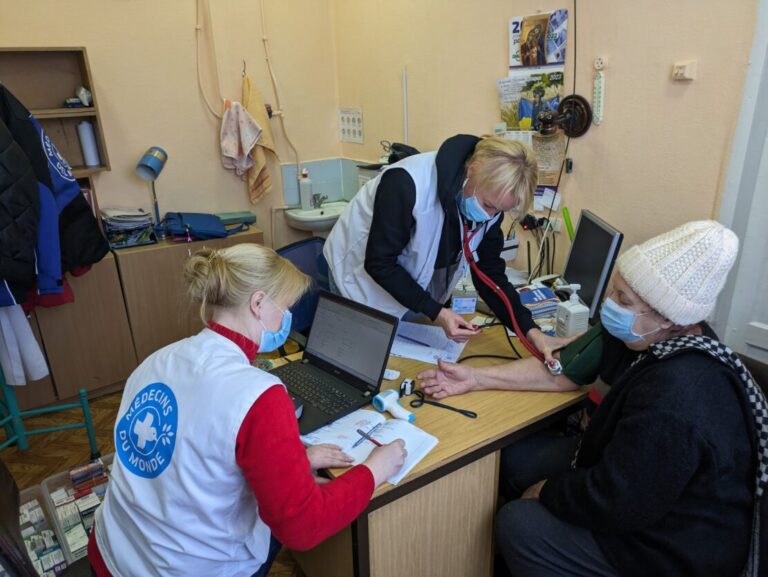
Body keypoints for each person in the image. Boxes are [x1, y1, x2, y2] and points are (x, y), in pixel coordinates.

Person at [419, 221, 768, 577]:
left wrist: (549, 491)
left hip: (671, 547)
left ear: (669, 319)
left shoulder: (678, 397)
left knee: (519, 524)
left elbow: (618, 501)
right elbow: (562, 372)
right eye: (614, 290)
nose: (608, 304)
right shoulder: (639, 333)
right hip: (627, 475)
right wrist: (475, 378)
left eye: (623, 299)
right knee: (513, 462)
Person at [88, 244, 407, 577]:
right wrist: (375, 469)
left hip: (112, 548)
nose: (288, 318)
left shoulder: (157, 360)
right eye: (285, 307)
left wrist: (295, 462)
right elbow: (303, 527)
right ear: (258, 303)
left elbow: (189, 448)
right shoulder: (258, 395)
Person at [324, 134, 572, 360]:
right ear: (472, 169)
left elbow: (490, 276)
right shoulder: (406, 183)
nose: (490, 216)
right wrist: (436, 312)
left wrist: (531, 331)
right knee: (359, 365)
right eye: (487, 204)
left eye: (499, 210)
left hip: (407, 293)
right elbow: (379, 263)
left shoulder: (489, 206)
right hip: (356, 286)